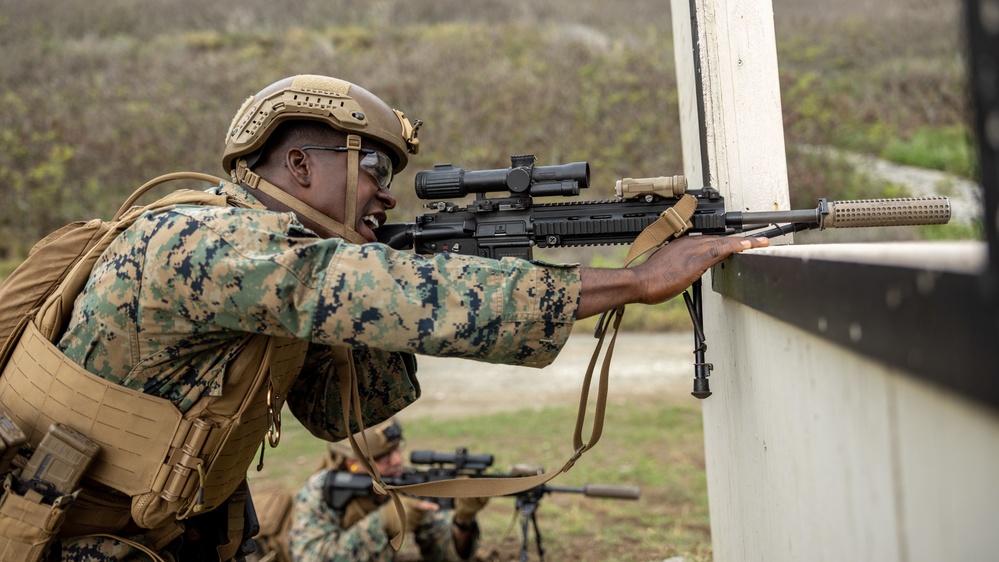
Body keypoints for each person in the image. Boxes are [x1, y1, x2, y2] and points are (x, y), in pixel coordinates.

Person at [0, 74, 768, 561]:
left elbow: (344, 414)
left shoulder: (279, 267)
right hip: (71, 537)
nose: (385, 192)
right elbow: (394, 296)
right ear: (297, 167)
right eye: (369, 167)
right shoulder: (208, 240)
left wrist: (439, 275)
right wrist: (632, 281)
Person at [286, 418, 488, 562]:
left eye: (398, 448)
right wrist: (383, 522)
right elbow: (309, 556)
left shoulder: (403, 480)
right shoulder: (320, 491)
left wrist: (463, 520)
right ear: (352, 464)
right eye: (383, 457)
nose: (398, 460)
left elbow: (443, 555)